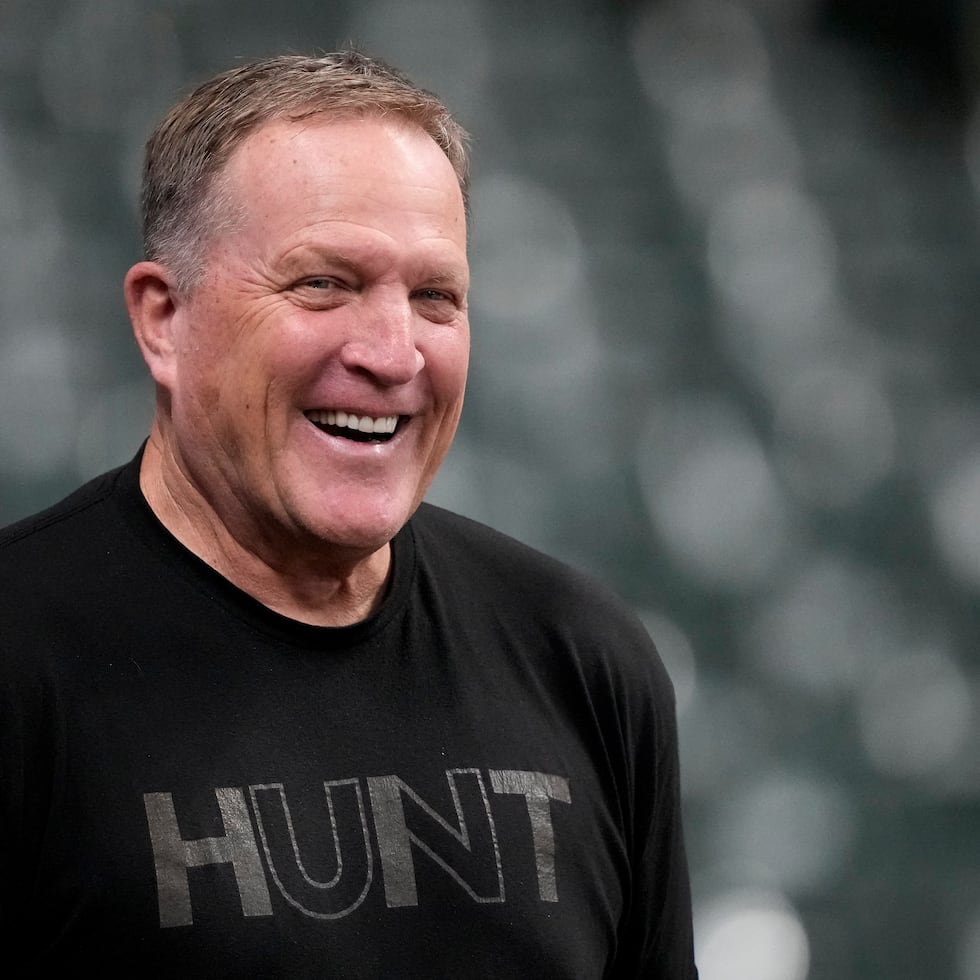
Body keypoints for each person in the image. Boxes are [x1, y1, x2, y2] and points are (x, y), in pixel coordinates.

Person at [0, 51, 698, 978]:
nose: (394, 353)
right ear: (164, 319)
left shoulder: (582, 656)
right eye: (322, 284)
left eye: (434, 298)